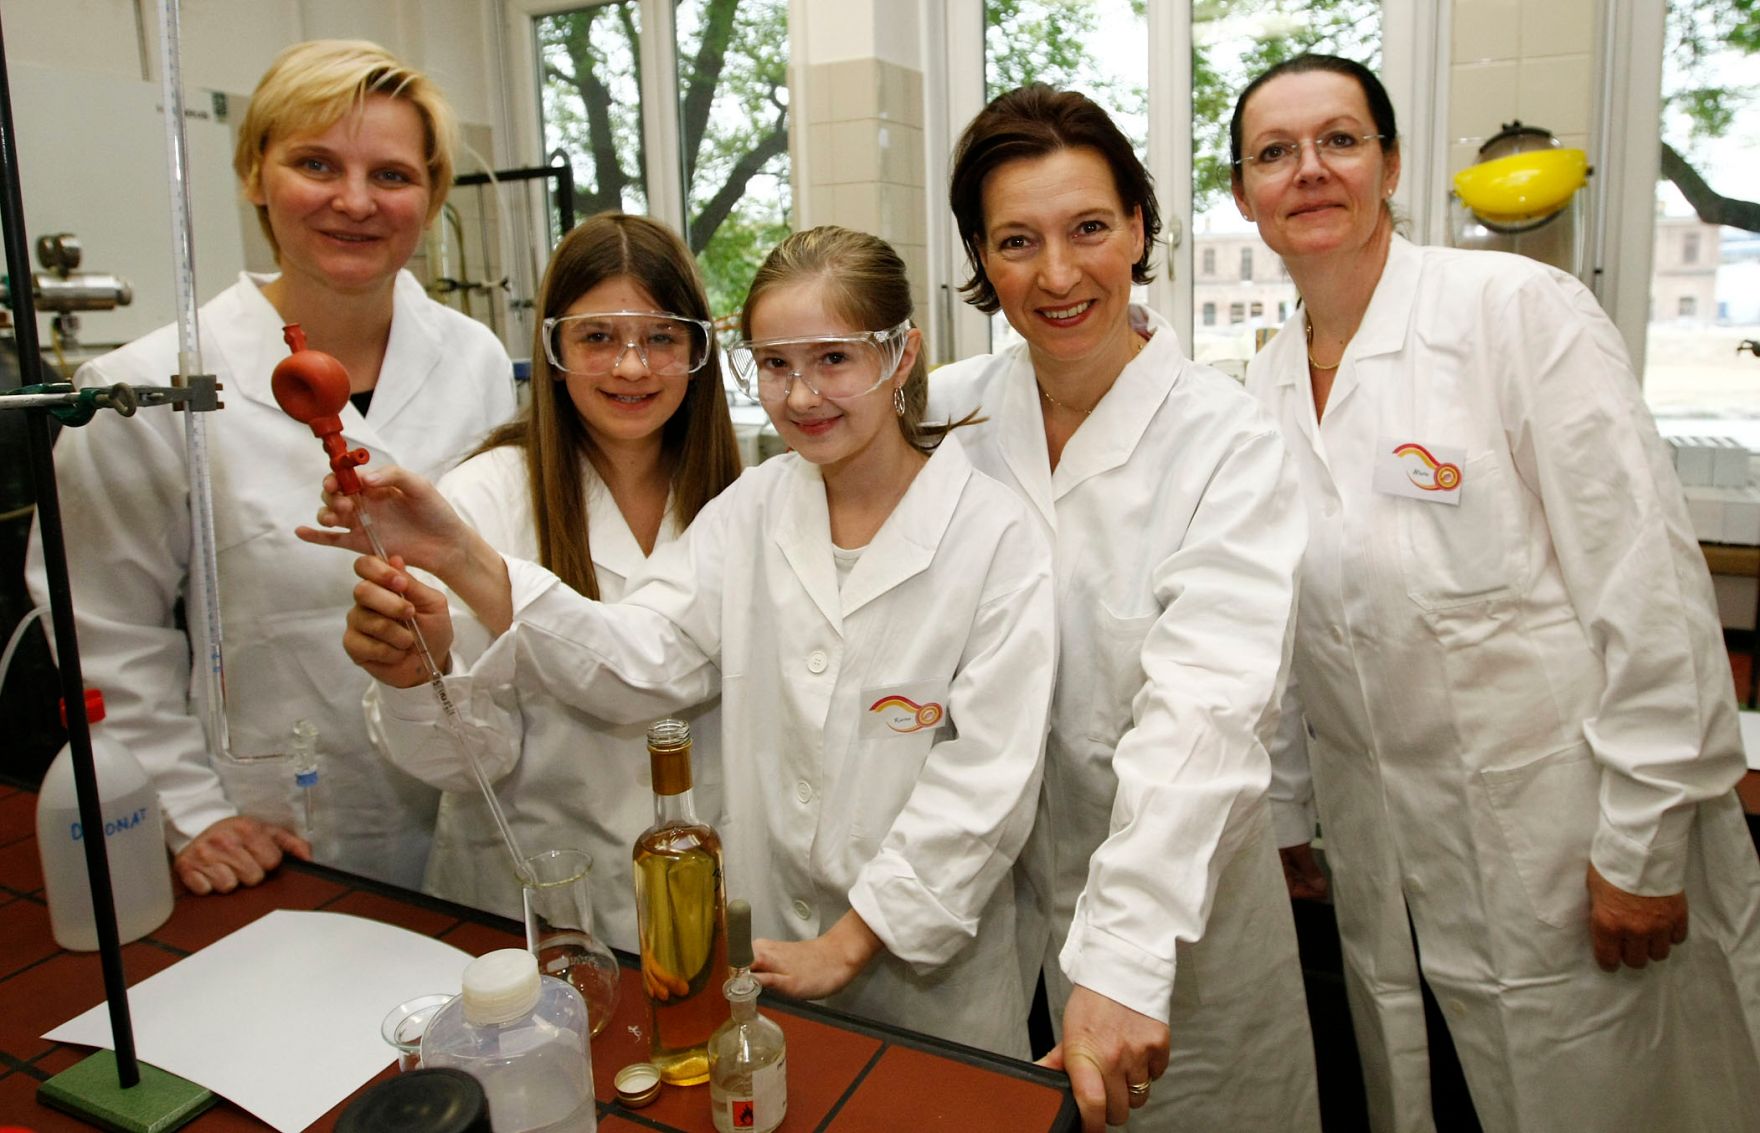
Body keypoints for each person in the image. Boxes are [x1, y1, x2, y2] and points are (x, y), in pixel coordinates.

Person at [306, 226, 1055, 1056]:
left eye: (833, 358)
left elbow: (987, 780)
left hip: (934, 977)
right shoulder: (755, 507)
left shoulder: (996, 536)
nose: (802, 395)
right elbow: (641, 658)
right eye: (774, 364)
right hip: (772, 954)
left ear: (902, 353)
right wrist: (460, 554)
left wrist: (850, 939)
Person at [1233, 52, 1760, 1133]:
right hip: (1386, 854)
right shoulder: (1267, 380)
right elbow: (1283, 623)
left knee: (1607, 1092)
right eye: (1273, 154)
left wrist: (1646, 844)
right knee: (1429, 1085)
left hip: (1569, 839)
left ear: (1388, 165)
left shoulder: (1515, 309)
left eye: (1338, 140)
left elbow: (1643, 582)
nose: (1309, 171)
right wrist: (1289, 807)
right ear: (1245, 198)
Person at [26, 40, 516, 895]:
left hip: (481, 805)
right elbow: (107, 628)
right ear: (255, 172)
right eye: (316, 163)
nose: (355, 201)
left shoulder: (473, 357)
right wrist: (191, 811)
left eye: (393, 175)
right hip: (281, 830)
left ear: (433, 196)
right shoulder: (151, 389)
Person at [930, 84, 1320, 1132]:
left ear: (1139, 227)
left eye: (1088, 228)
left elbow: (1204, 706)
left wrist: (1124, 945)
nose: (1055, 274)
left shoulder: (1222, 442)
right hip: (991, 915)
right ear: (978, 253)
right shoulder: (947, 415)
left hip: (1178, 924)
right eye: (1015, 240)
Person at [357, 211, 740, 943]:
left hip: (701, 893)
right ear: (554, 349)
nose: (632, 366)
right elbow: (462, 761)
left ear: (699, 350)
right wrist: (417, 671)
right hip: (529, 899)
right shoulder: (481, 498)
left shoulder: (740, 499)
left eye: (661, 338)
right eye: (598, 338)